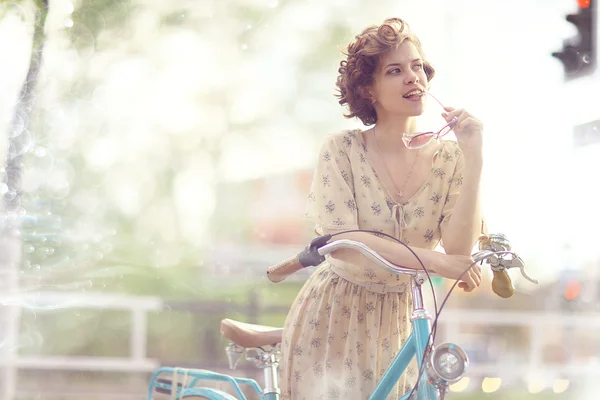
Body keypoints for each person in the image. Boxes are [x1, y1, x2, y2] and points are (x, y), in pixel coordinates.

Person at [279, 17, 485, 399]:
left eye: (417, 66)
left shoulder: (450, 159)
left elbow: (458, 252)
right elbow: (344, 242)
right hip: (332, 315)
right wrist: (435, 262)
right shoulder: (342, 150)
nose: (413, 77)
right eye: (395, 70)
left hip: (402, 320)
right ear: (368, 89)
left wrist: (474, 158)